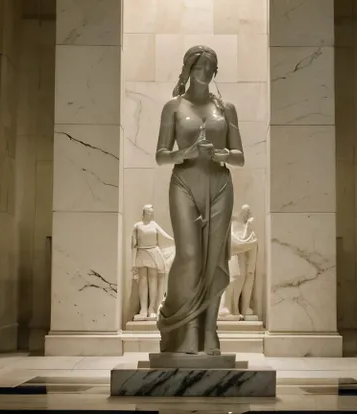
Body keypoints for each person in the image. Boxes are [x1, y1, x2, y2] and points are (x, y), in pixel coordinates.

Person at [154, 45, 245, 355]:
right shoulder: (174, 107)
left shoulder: (226, 109)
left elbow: (239, 156)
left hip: (219, 184)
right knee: (190, 256)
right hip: (184, 183)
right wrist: (186, 153)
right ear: (189, 69)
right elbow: (161, 155)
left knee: (215, 259)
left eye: (210, 67)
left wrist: (220, 154)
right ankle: (183, 326)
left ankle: (209, 332)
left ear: (215, 72)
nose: (204, 72)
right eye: (199, 66)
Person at [131, 204, 174, 319]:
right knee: (143, 280)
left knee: (153, 280)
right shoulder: (137, 226)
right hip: (142, 252)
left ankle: (152, 308)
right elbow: (133, 246)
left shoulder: (154, 225)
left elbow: (164, 236)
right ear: (144, 213)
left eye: (152, 213)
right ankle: (143, 308)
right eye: (149, 212)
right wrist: (132, 263)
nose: (151, 214)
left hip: (154, 252)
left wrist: (175, 241)